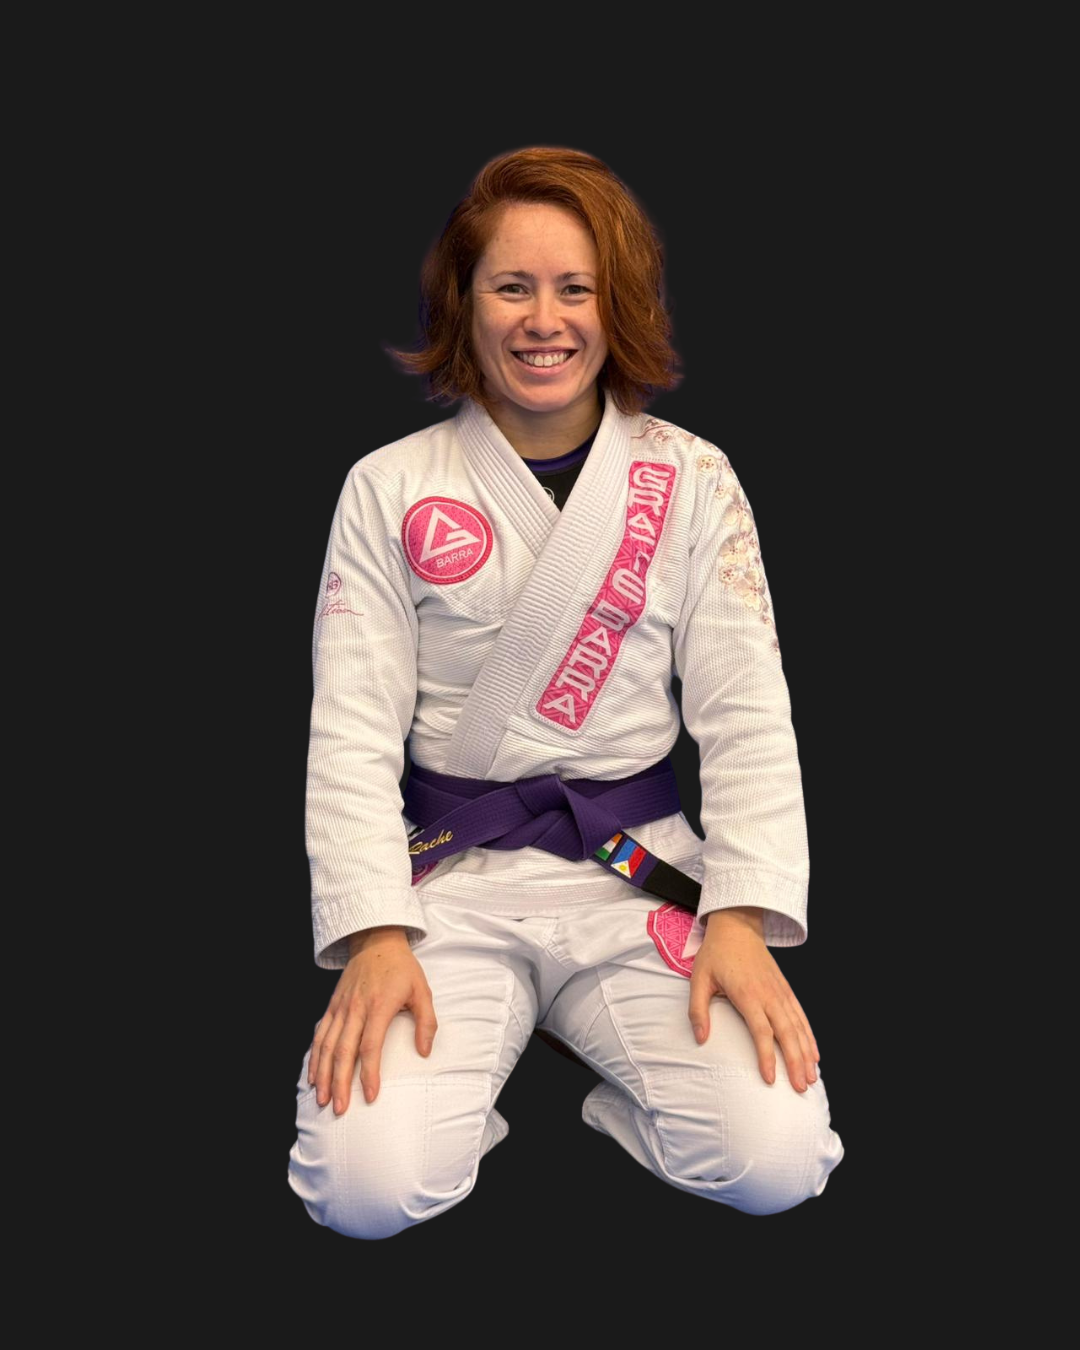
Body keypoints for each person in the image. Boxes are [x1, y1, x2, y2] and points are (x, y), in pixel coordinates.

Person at [287, 146, 844, 1236]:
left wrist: (737, 908)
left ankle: (604, 1103)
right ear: (467, 303)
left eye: (575, 288)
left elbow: (747, 714)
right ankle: (462, 1108)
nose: (544, 320)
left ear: (615, 305)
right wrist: (377, 935)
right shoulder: (390, 487)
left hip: (635, 876)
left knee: (778, 1162)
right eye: (512, 286)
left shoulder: (690, 478)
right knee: (359, 1193)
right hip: (449, 880)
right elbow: (349, 732)